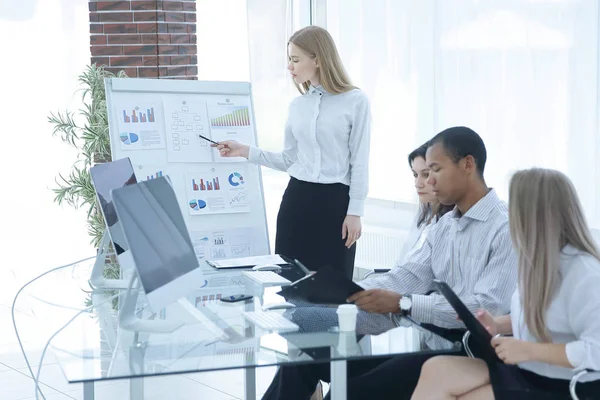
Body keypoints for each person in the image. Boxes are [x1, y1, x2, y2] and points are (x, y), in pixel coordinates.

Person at [261, 126, 518, 400]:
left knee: (353, 389)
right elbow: (405, 277)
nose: (429, 182)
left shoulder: (506, 228)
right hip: (424, 344)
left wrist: (404, 303)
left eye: (435, 170)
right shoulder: (445, 227)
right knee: (303, 363)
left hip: (464, 354)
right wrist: (343, 289)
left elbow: (484, 309)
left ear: (468, 164)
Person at [412, 168, 600, 400]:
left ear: (535, 215)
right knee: (436, 369)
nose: (511, 215)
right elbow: (548, 317)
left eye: (516, 207)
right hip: (530, 372)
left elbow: (596, 350)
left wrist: (529, 350)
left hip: (565, 386)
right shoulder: (539, 259)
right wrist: (497, 325)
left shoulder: (586, 273)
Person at [214, 26, 371, 280]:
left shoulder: (355, 101)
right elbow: (290, 160)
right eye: (289, 59)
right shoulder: (298, 105)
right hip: (297, 201)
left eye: (295, 59)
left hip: (336, 205)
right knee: (290, 286)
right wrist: (245, 151)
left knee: (332, 289)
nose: (290, 66)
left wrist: (355, 212)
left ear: (317, 59)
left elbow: (360, 163)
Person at [399, 142, 454, 263]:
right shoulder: (425, 211)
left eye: (426, 174)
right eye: (415, 174)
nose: (417, 184)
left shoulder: (450, 223)